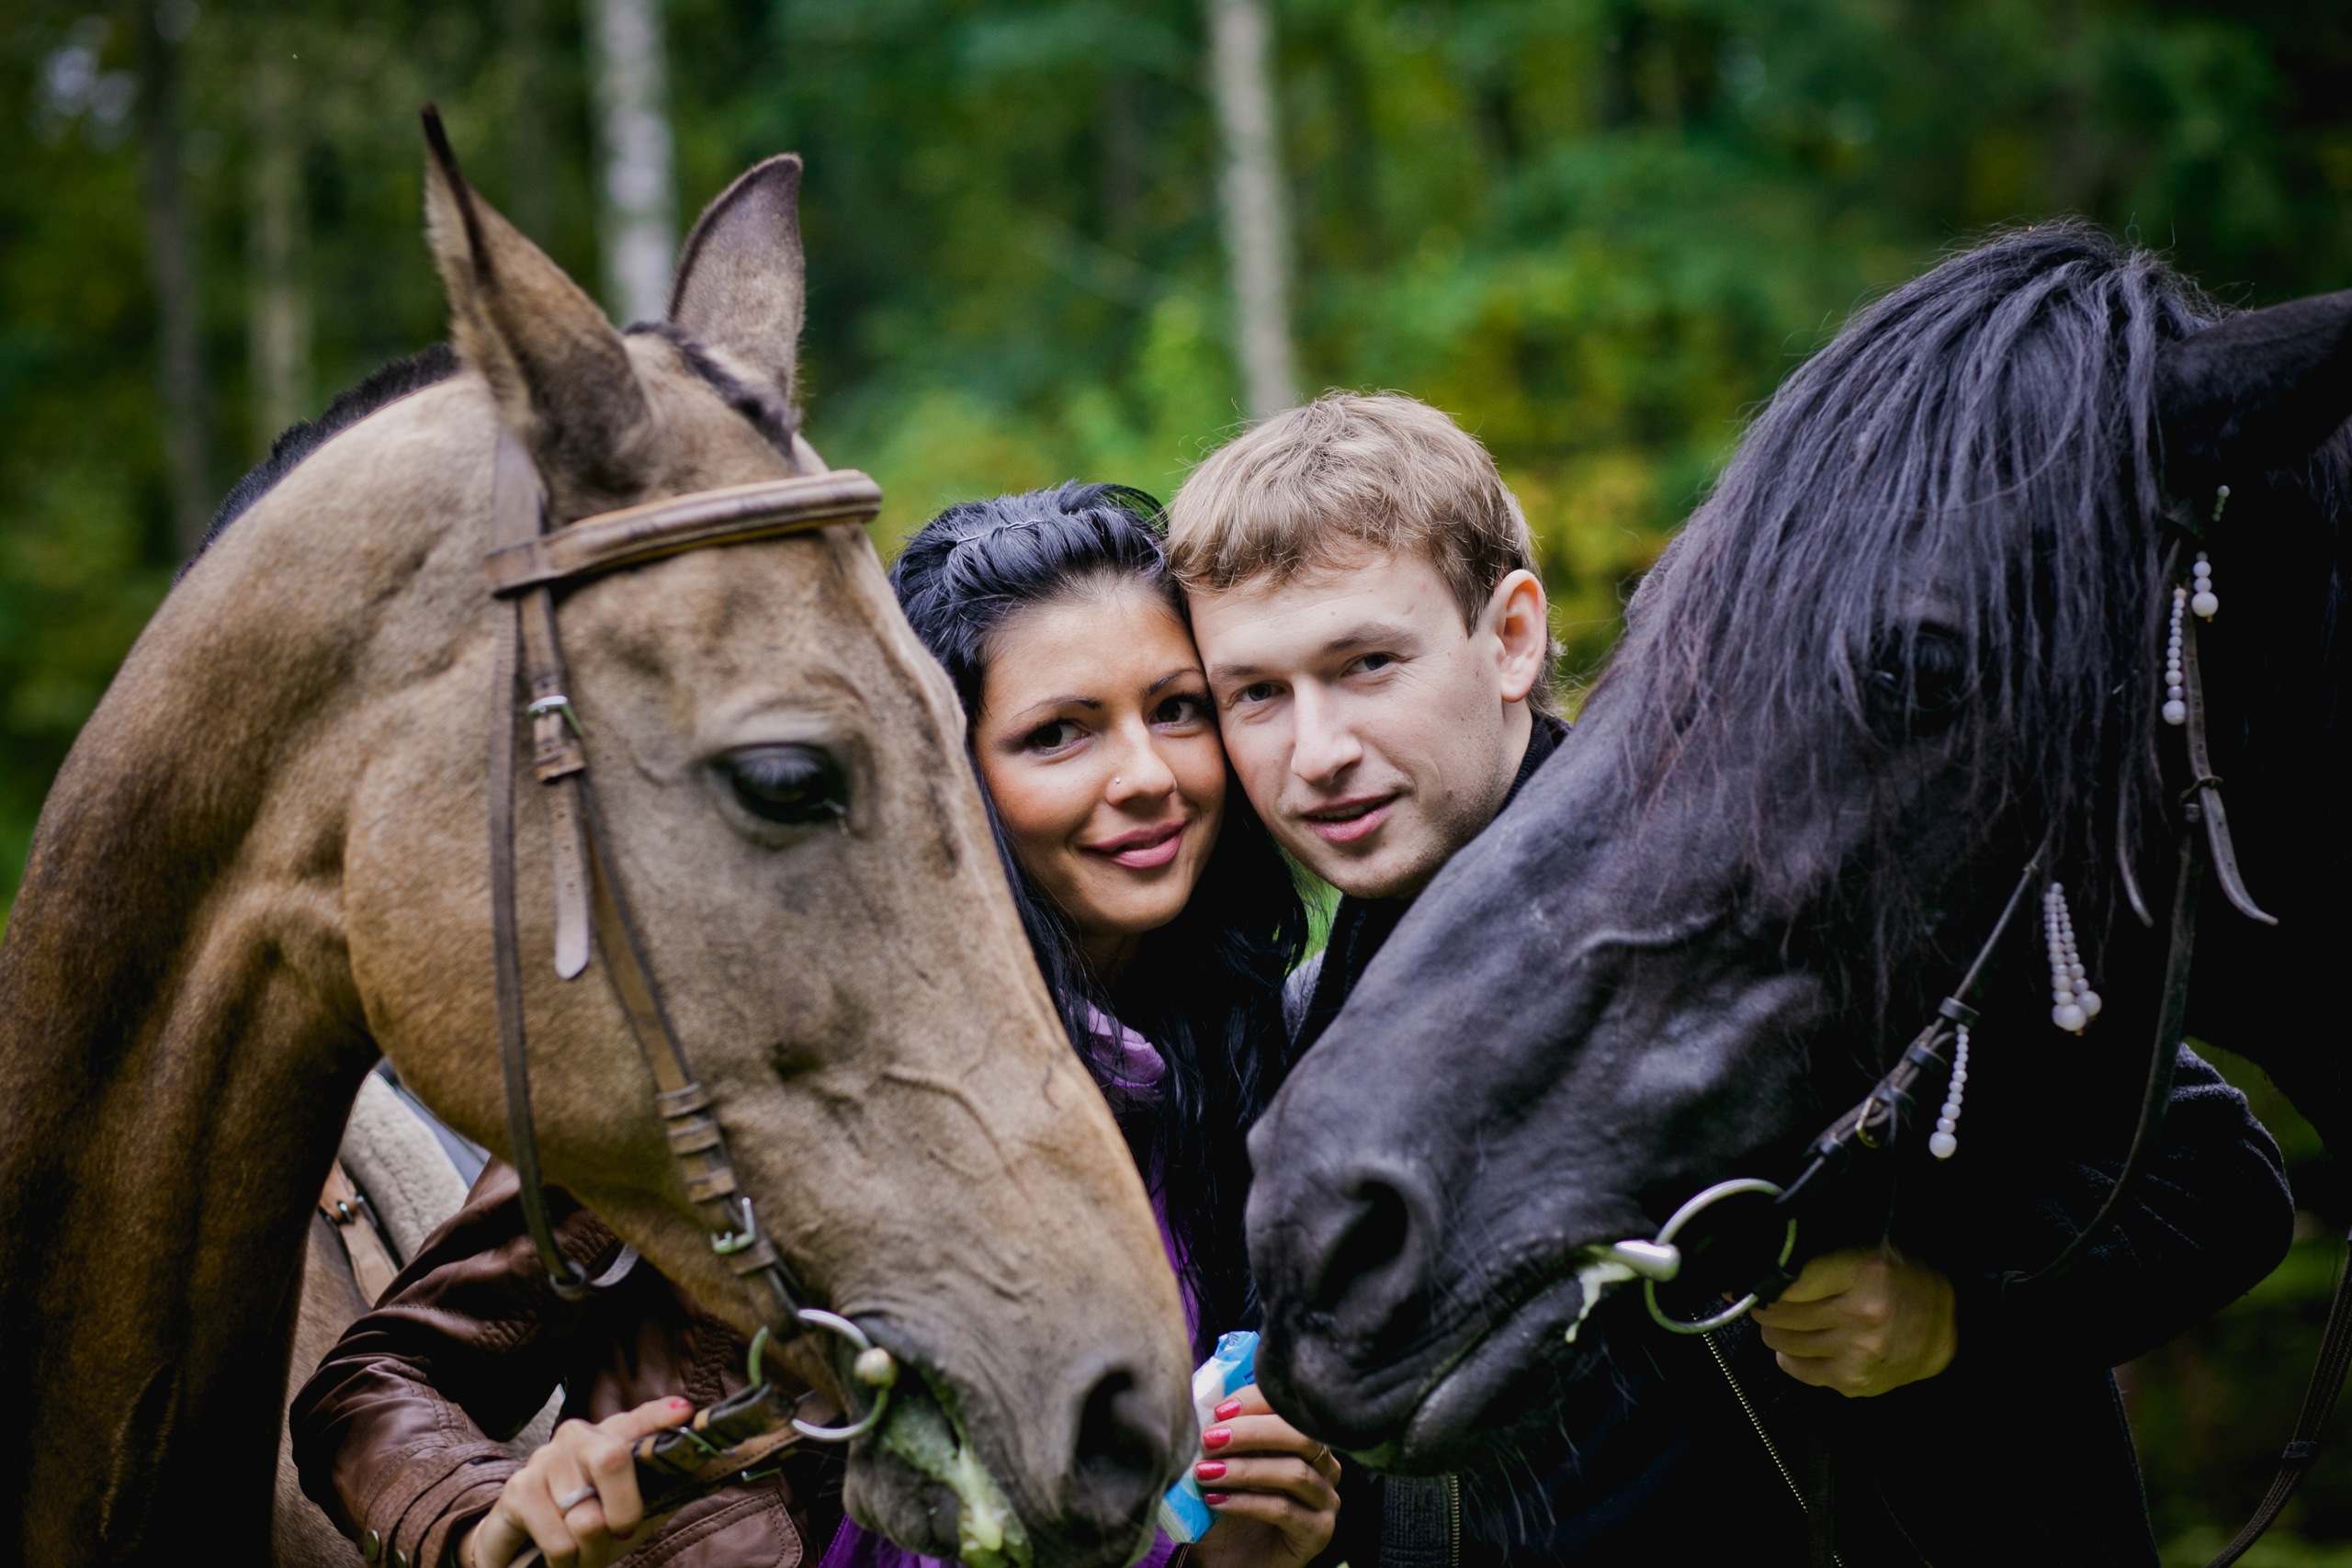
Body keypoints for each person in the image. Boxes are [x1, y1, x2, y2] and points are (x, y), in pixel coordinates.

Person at [1164, 392, 2291, 1562]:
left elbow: (2218, 1184)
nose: (1317, 750)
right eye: (1257, 693)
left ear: (1508, 638)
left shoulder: (1775, 906)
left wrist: (1952, 1316)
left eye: (1365, 664)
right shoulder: (1300, 1038)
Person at [290, 483, 1340, 1568]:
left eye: (1176, 709)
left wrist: (1260, 1541)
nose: (1148, 775)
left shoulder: (1248, 1045)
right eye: (1058, 734)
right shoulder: (735, 1037)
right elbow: (373, 1389)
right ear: (940, 773)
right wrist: (483, 1522)